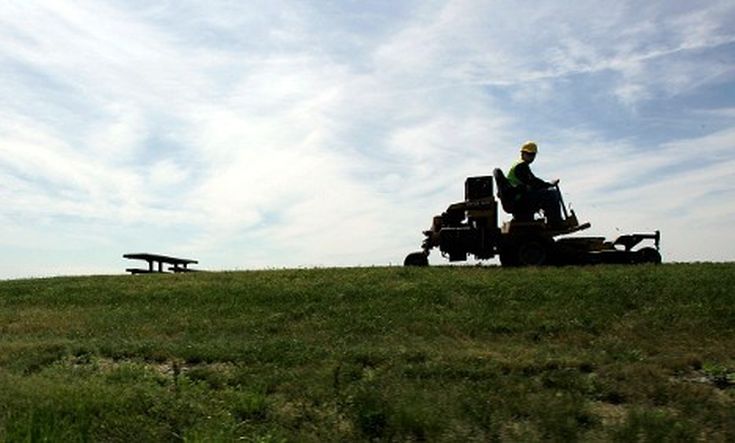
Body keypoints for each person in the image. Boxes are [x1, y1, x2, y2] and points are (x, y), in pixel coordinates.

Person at [507, 141, 564, 226]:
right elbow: (533, 183)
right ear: (522, 153)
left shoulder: (521, 166)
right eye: (529, 154)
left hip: (518, 198)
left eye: (533, 154)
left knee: (546, 192)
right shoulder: (521, 166)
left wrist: (546, 185)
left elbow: (533, 181)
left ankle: (553, 220)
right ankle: (555, 223)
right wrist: (549, 185)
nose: (532, 157)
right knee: (552, 194)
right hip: (520, 200)